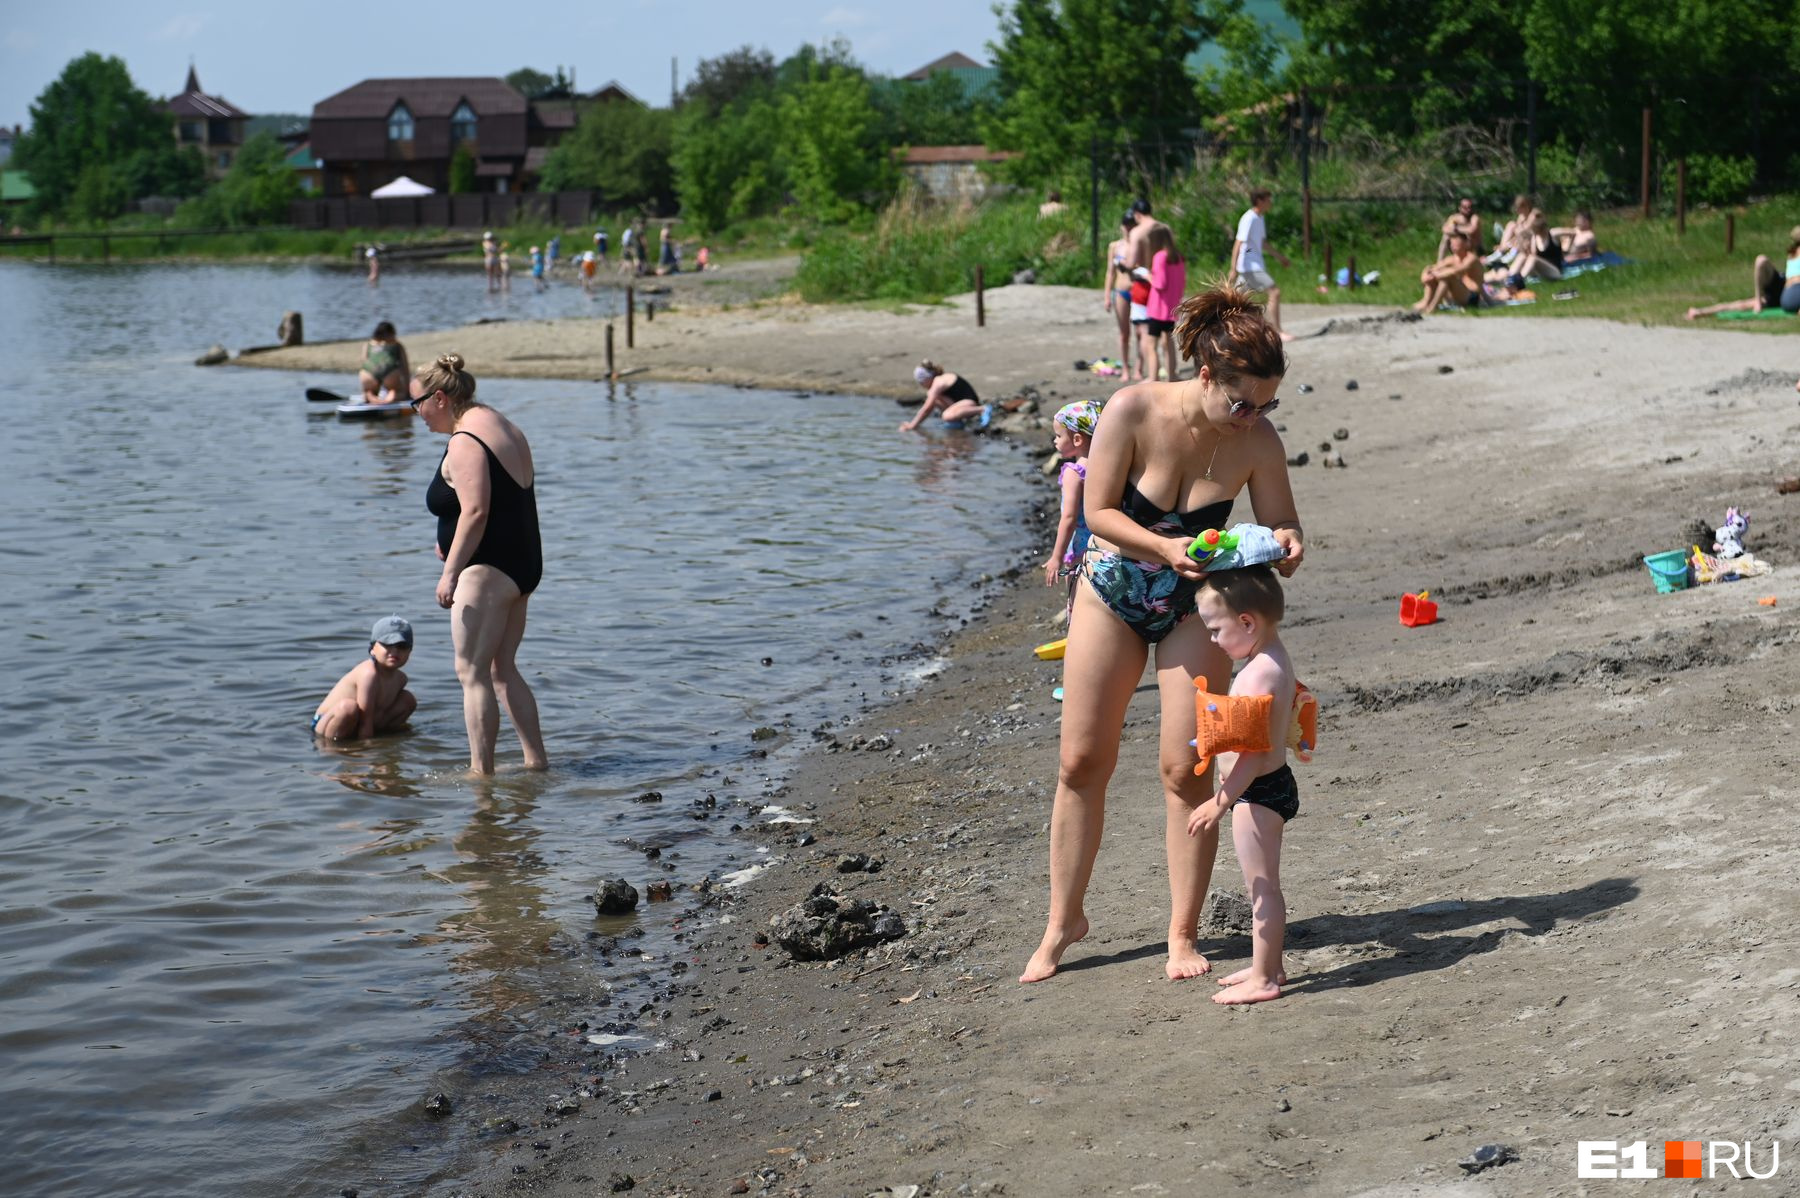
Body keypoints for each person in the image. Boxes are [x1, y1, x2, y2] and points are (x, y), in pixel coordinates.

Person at [1021, 283, 1304, 985]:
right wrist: (1163, 547)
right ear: (1205, 376)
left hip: (1194, 605)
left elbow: (1285, 526)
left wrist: (1288, 547)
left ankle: (1182, 933)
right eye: (1242, 403)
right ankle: (1064, 922)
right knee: (1082, 761)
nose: (1253, 418)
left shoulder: (1257, 442)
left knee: (1187, 769)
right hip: (1113, 589)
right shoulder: (1134, 408)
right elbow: (1100, 512)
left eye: (1267, 405)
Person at [412, 354, 548, 775]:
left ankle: (480, 777)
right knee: (502, 669)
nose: (415, 414)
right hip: (521, 562)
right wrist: (451, 543)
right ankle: (536, 764)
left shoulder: (465, 440)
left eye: (416, 403)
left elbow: (476, 511)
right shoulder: (499, 422)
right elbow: (505, 500)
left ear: (439, 397)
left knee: (471, 673)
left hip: (488, 570)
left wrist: (451, 570)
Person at [1185, 567, 1300, 1005]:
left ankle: (1267, 979)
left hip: (1257, 793)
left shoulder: (1256, 675)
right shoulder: (1270, 658)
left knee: (1262, 889)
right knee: (1262, 883)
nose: (1213, 640)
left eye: (1216, 630)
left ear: (1247, 622)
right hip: (1268, 786)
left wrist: (1219, 801)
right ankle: (1266, 963)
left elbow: (1251, 754)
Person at [312, 615, 417, 739]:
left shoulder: (401, 679)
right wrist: (367, 752)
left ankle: (384, 738)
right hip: (327, 722)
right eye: (387, 644)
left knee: (408, 700)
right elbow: (365, 721)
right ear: (372, 649)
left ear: (410, 651)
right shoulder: (368, 673)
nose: (394, 651)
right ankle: (332, 747)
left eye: (401, 646)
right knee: (348, 707)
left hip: (360, 723)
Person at [1043, 400, 1102, 613]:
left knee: (1077, 602)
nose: (1055, 441)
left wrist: (1056, 557)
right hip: (1101, 547)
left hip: (1078, 550)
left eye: (1059, 436)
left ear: (1077, 439)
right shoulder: (1105, 467)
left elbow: (1068, 518)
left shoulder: (1074, 473)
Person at [1685, 227, 1800, 319]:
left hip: (1786, 290)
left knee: (1741, 305)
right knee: (1742, 304)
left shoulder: (1792, 253)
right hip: (1785, 288)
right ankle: (1700, 312)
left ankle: (1700, 312)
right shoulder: (1793, 253)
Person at [1228, 189, 1294, 341]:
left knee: (1236, 300)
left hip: (1252, 265)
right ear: (1259, 201)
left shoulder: (1260, 218)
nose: (1270, 202)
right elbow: (1238, 243)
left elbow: (1262, 243)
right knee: (1274, 291)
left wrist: (1280, 257)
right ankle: (1277, 331)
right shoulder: (1249, 218)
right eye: (1268, 199)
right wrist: (1233, 268)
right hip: (1250, 266)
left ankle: (1230, 329)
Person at [1137, 223, 1187, 381]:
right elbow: (1181, 282)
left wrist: (1147, 276)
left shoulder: (1159, 257)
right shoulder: (1178, 256)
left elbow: (1160, 284)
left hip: (1158, 309)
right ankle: (1171, 375)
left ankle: (1153, 377)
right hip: (1171, 309)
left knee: (1151, 344)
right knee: (1168, 343)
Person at [899, 361, 990, 432]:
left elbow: (927, 408)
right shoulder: (939, 381)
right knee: (935, 398)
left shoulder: (938, 382)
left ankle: (982, 409)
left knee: (946, 416)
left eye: (921, 382)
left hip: (969, 402)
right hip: (959, 402)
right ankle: (956, 422)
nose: (921, 385)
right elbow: (930, 406)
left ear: (927, 378)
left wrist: (912, 425)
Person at [1102, 212, 1138, 380]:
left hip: (1137, 290)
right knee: (1124, 333)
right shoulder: (1115, 246)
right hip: (1121, 292)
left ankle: (1139, 367)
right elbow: (1110, 273)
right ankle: (1125, 368)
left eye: (1131, 224)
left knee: (1141, 332)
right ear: (1121, 226)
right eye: (1126, 224)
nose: (1128, 228)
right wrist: (1107, 296)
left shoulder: (1140, 244)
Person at [1413, 231, 1482, 313]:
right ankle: (1426, 302)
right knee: (1433, 278)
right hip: (1457, 294)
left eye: (1456, 242)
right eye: (1452, 243)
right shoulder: (1451, 259)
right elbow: (1432, 268)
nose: (1453, 245)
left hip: (1471, 296)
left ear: (1465, 243)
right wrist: (1425, 274)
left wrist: (1437, 274)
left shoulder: (1471, 258)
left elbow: (1457, 271)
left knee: (1447, 277)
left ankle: (1432, 308)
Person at [358, 321, 409, 405]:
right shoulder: (397, 345)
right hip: (390, 371)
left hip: (368, 372)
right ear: (391, 333)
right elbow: (405, 368)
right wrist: (407, 391)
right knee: (395, 390)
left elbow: (363, 362)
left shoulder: (368, 344)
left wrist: (364, 389)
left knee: (370, 390)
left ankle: (369, 395)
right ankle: (391, 397)